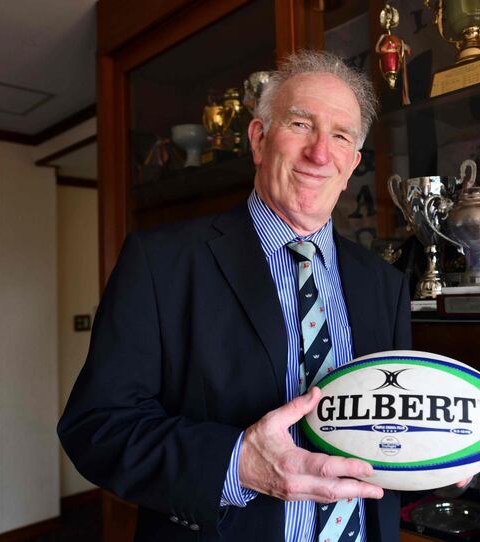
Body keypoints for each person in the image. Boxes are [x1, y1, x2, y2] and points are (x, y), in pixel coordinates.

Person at [58, 50, 414, 541]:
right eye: (299, 124)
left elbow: (386, 440)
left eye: (340, 136)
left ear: (352, 163)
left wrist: (448, 455)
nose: (319, 153)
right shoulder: (161, 261)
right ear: (259, 139)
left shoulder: (384, 283)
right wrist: (237, 464)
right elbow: (95, 427)